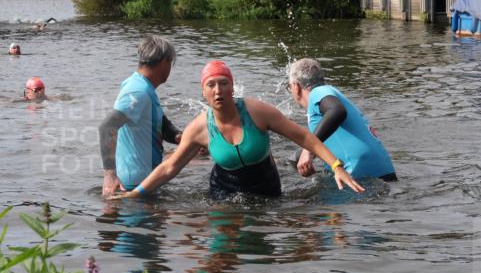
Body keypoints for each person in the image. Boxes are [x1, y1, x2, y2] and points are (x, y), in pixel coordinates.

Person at [111, 60, 365, 200]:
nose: (218, 90)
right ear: (204, 92)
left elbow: (304, 137)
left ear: (233, 88)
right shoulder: (199, 128)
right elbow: (170, 167)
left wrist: (336, 167)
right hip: (224, 193)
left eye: (224, 83)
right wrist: (136, 193)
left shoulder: (258, 112)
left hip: (267, 188)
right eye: (211, 85)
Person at [288, 58, 396, 181]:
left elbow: (337, 111)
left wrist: (309, 150)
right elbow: (324, 138)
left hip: (359, 176)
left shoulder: (318, 92)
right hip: (383, 173)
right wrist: (294, 159)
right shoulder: (331, 95)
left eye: (289, 86)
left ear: (296, 86)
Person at [100, 36, 182, 196]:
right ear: (165, 61)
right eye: (171, 63)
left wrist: (180, 137)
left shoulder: (145, 87)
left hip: (147, 180)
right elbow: (107, 126)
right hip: (134, 185)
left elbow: (161, 123)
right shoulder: (138, 91)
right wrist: (109, 175)